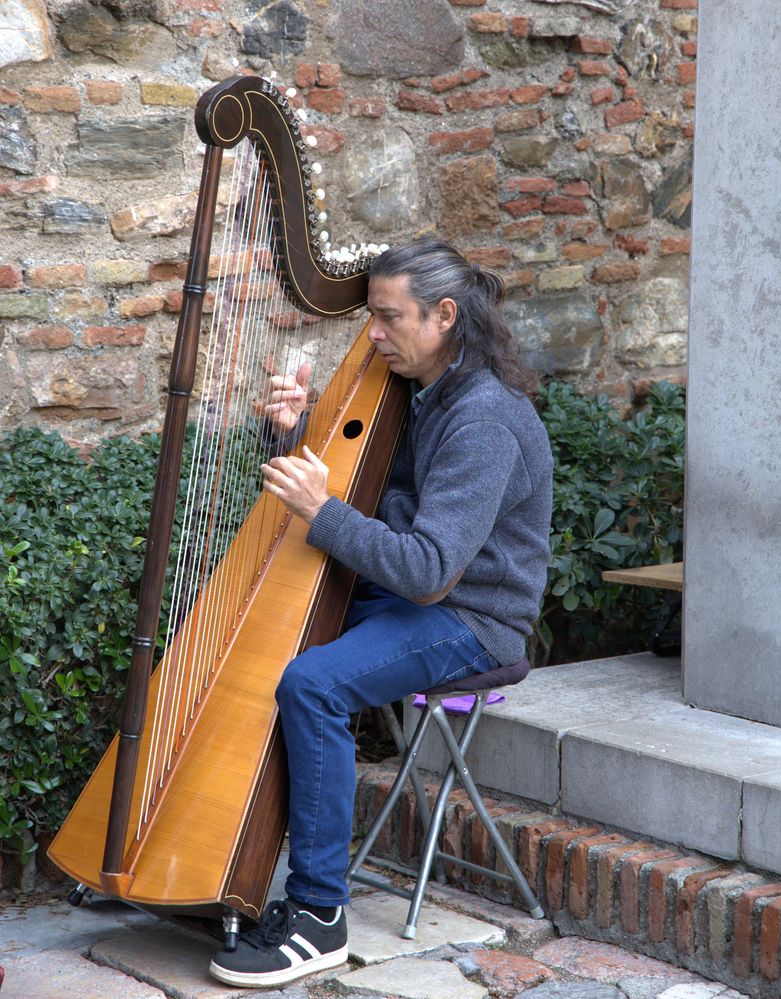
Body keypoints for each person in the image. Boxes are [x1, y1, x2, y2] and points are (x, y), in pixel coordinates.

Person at [208, 239, 553, 989]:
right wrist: (293, 433)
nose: (372, 334)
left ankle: (318, 916)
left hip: (468, 618)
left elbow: (428, 569)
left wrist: (319, 510)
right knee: (257, 643)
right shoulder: (421, 388)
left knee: (313, 682)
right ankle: (221, 862)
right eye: (371, 316)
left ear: (444, 316)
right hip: (406, 596)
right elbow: (367, 491)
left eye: (389, 318)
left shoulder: (484, 417)